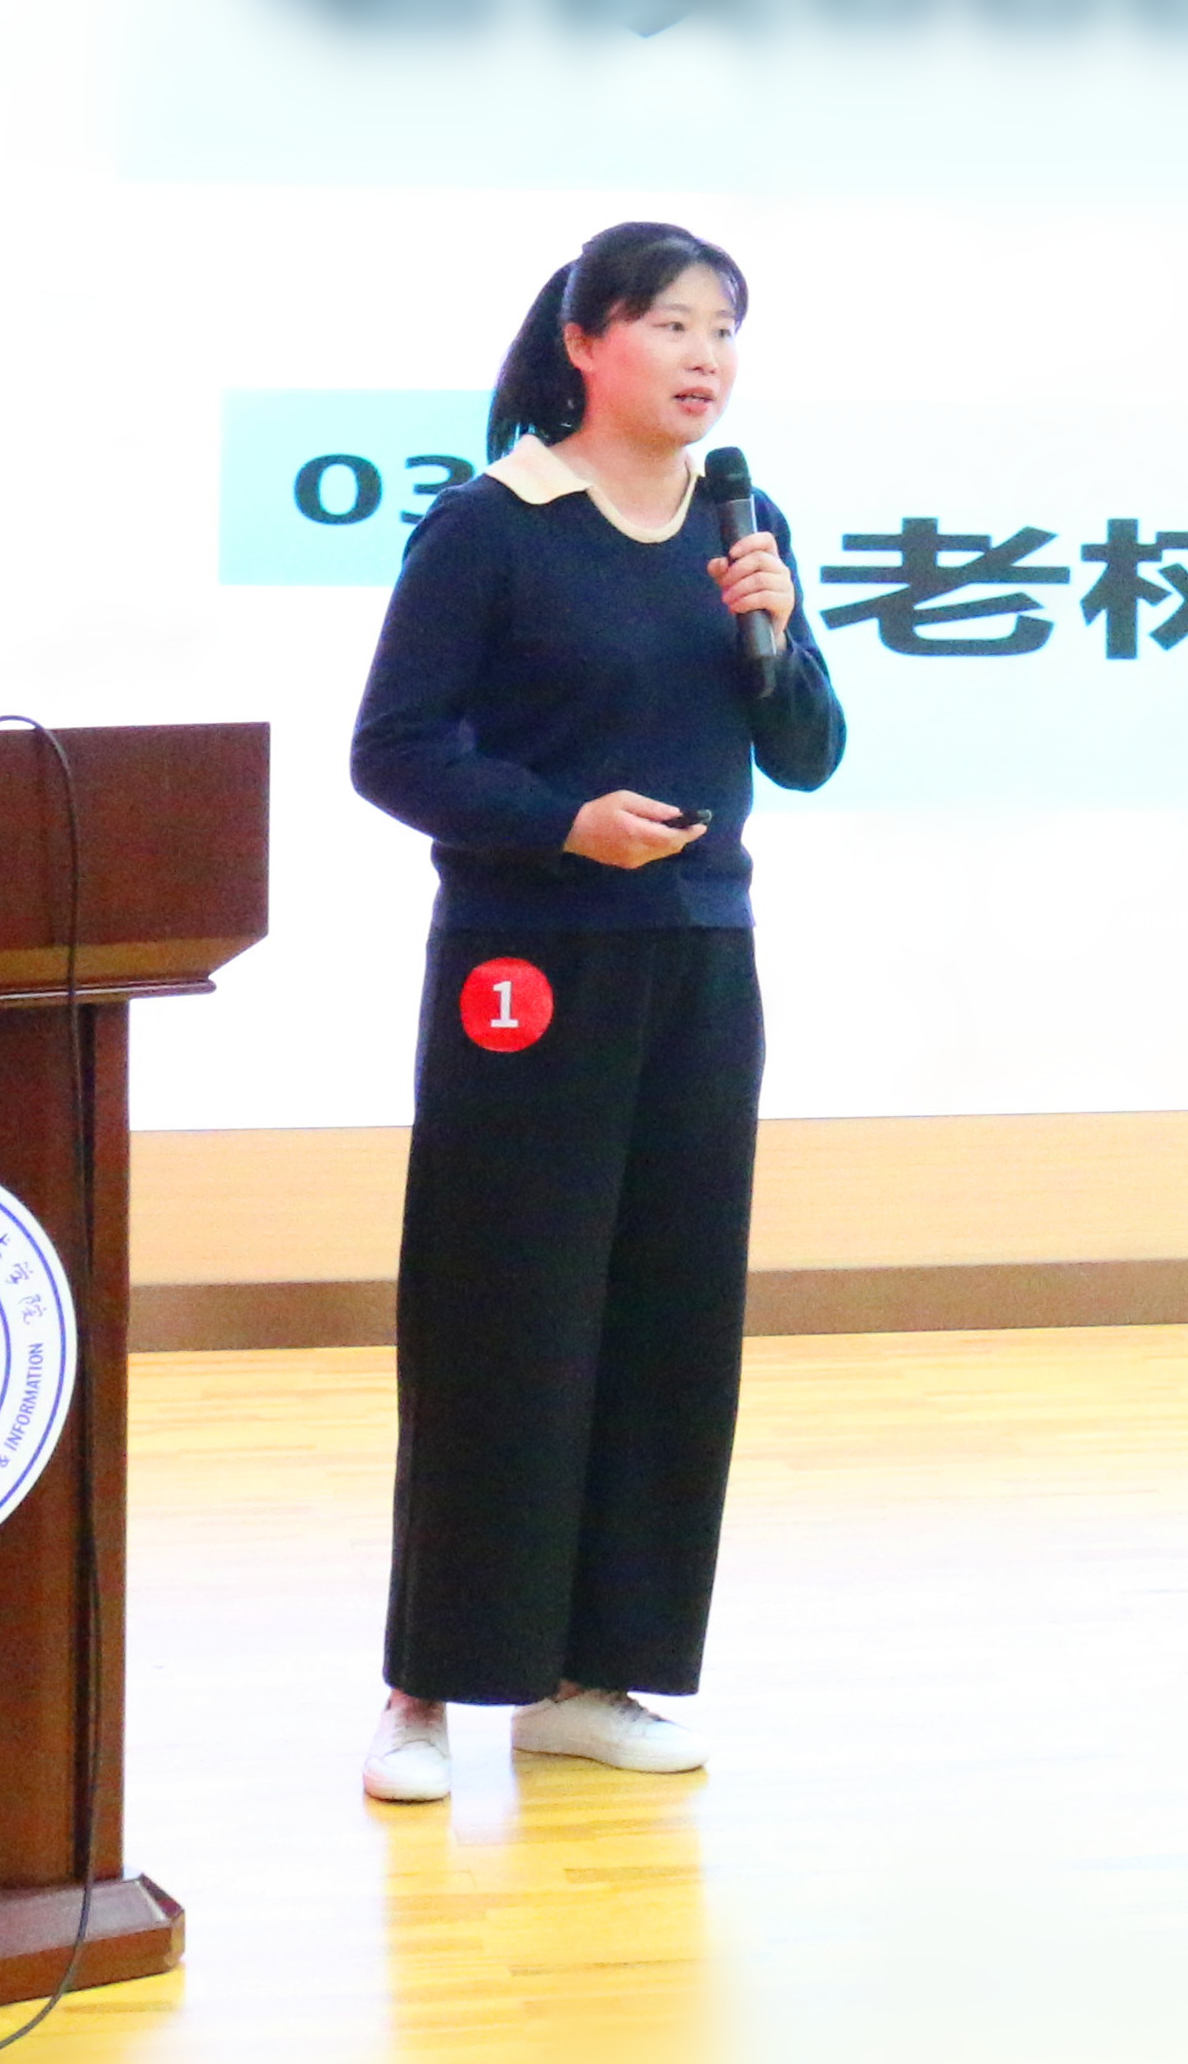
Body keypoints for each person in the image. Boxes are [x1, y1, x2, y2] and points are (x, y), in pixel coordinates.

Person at [344, 219, 844, 1803]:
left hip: (699, 959)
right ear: (585, 339)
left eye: (725, 329)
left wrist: (776, 633)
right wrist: (562, 822)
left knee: (665, 1319)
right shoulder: (492, 526)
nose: (706, 357)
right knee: (505, 1314)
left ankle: (593, 1675)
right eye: (673, 324)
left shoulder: (743, 527)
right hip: (529, 965)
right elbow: (394, 749)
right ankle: (427, 1686)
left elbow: (809, 752)